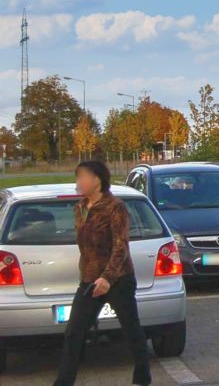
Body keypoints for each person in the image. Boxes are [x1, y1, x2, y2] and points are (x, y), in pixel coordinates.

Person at [54, 161, 151, 386]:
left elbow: (121, 245)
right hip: (89, 280)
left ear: (97, 180)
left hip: (118, 279)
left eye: (82, 177)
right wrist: (90, 275)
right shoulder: (79, 208)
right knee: (73, 333)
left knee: (131, 330)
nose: (78, 182)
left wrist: (107, 277)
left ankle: (142, 377)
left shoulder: (115, 207)